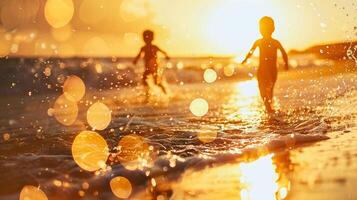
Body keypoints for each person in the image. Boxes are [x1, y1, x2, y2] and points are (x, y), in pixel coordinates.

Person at [242, 16, 289, 113]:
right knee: (262, 88)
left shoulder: (275, 42)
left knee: (269, 90)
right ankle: (268, 107)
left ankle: (269, 106)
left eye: (266, 28)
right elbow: (251, 52)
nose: (263, 30)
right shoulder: (258, 42)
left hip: (272, 71)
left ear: (273, 29)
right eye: (261, 28)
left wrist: (286, 64)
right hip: (262, 70)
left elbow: (284, 53)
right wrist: (245, 59)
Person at [133, 30, 170, 97]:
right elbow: (139, 55)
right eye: (145, 38)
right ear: (143, 38)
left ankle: (166, 94)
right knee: (144, 81)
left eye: (148, 38)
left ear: (152, 38)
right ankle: (147, 96)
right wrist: (135, 60)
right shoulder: (143, 48)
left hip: (154, 67)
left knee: (156, 82)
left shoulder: (154, 47)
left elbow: (163, 52)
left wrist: (166, 56)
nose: (147, 39)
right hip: (147, 68)